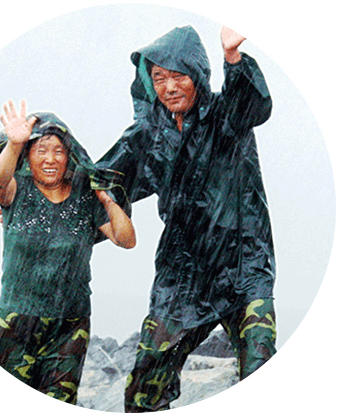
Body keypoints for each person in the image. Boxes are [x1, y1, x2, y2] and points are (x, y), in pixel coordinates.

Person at [97, 26, 276, 412]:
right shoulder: (149, 135)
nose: (169, 87)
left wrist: (233, 59)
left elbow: (253, 105)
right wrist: (42, 199)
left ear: (197, 73)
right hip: (181, 277)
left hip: (242, 268)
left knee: (259, 362)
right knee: (145, 387)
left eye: (178, 75)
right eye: (158, 77)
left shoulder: (225, 115)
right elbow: (102, 181)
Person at [0, 100, 136, 403]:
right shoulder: (18, 190)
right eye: (41, 150)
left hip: (71, 324)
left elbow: (127, 240)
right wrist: (15, 143)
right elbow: (0, 179)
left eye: (59, 151)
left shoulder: (85, 199)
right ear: (28, 157)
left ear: (70, 156)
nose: (50, 159)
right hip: (17, 320)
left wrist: (106, 199)